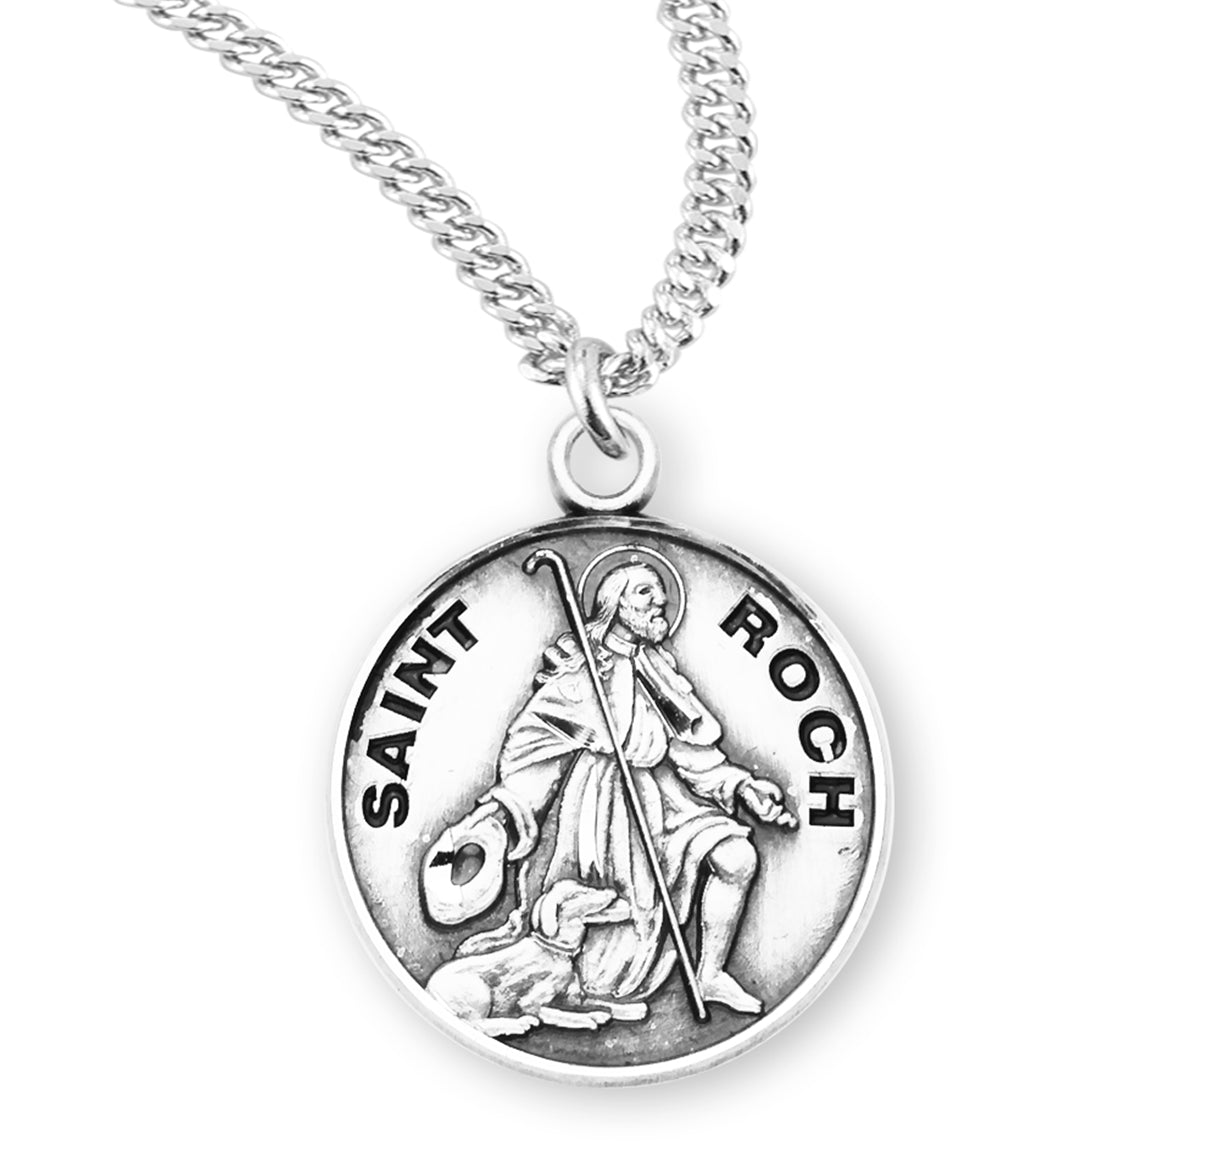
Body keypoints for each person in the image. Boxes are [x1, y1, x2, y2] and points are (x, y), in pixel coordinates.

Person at [448, 560, 796, 1015]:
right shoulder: (581, 671)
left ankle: (710, 975)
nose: (660, 602)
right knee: (605, 956)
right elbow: (533, 744)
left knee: (737, 858)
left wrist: (741, 786)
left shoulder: (659, 671)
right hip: (603, 806)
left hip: (667, 799)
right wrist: (503, 812)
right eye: (645, 593)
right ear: (615, 605)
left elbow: (691, 750)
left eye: (660, 592)